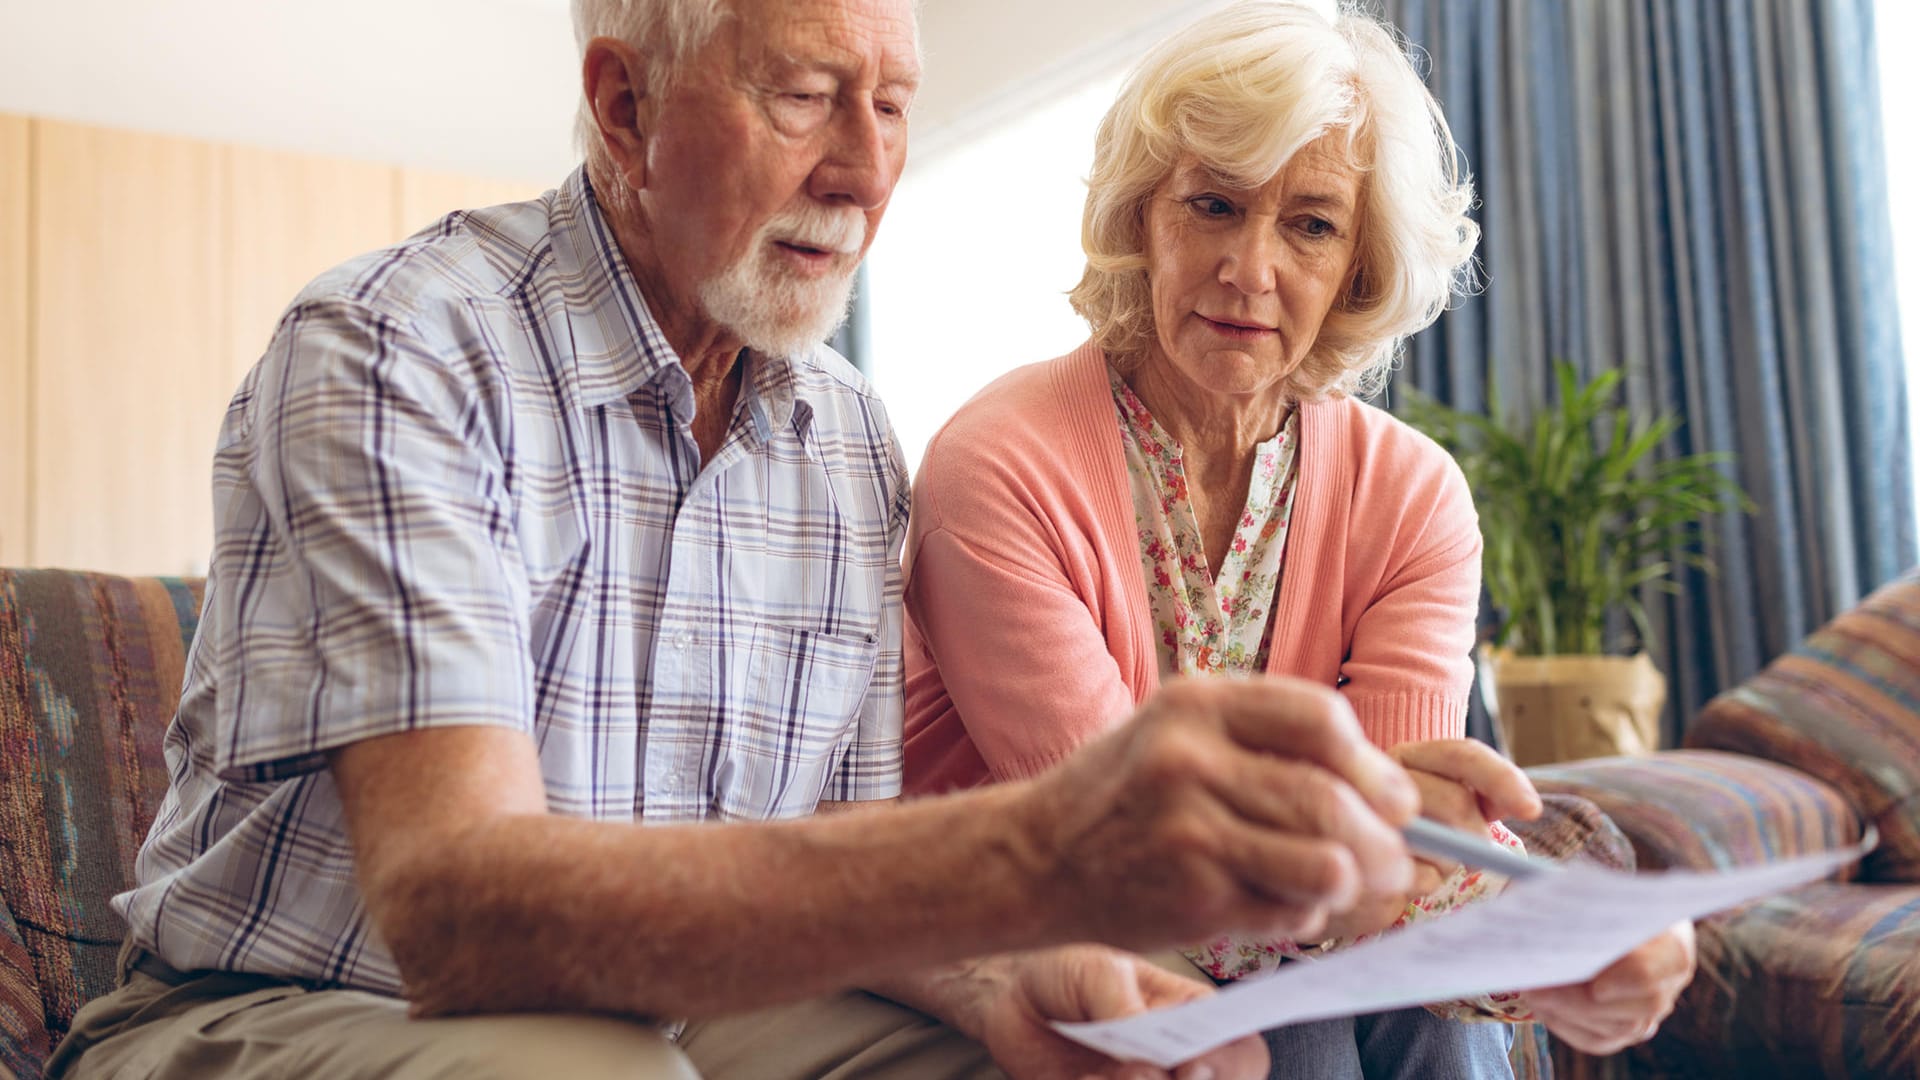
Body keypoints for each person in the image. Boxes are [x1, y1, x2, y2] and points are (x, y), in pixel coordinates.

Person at [42, 2, 1456, 1079]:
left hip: (688, 1004)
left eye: (894, 107)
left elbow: (834, 839)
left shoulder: (844, 438)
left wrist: (1005, 977)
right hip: (300, 1000)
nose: (862, 170)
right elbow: (455, 913)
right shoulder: (398, 350)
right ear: (622, 102)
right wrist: (1033, 854)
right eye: (803, 97)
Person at [899, 3, 1697, 1077]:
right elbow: (1120, 846)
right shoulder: (995, 463)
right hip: (1032, 934)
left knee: (1433, 1025)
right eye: (1214, 206)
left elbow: (1406, 849)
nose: (1250, 268)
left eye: (1311, 225)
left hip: (1286, 935)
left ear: (1359, 265)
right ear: (1144, 218)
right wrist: (1477, 909)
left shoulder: (1413, 495)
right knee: (1310, 1028)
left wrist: (1565, 934)